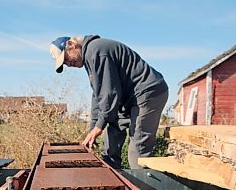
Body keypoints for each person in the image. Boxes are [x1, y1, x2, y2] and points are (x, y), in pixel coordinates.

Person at [50, 35, 168, 169]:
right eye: (64, 63)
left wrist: (99, 126)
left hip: (148, 93)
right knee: (110, 143)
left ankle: (144, 188)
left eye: (66, 58)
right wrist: (93, 129)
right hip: (127, 99)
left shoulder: (97, 51)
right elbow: (97, 96)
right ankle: (114, 184)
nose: (68, 64)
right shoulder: (90, 58)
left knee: (138, 151)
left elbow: (109, 93)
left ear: (72, 44)